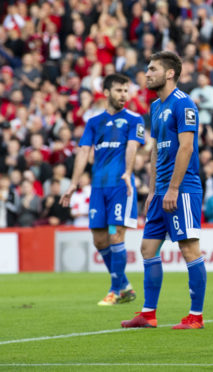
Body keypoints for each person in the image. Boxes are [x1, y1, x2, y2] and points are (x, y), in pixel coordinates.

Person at [120, 51, 206, 330]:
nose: (147, 73)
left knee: (189, 249)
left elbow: (187, 147)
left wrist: (173, 188)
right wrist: (154, 191)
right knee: (147, 248)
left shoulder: (184, 103)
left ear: (170, 73)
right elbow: (156, 150)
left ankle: (196, 316)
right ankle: (148, 314)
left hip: (182, 189)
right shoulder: (156, 106)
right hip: (161, 191)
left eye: (152, 69)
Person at [61, 73, 144, 306]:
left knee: (116, 235)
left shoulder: (134, 119)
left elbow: (132, 147)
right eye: (119, 90)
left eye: (126, 91)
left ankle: (115, 290)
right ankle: (124, 285)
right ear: (106, 93)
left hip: (120, 185)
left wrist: (128, 172)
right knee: (99, 240)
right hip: (98, 186)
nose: (123, 95)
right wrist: (73, 184)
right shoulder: (93, 122)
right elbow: (84, 152)